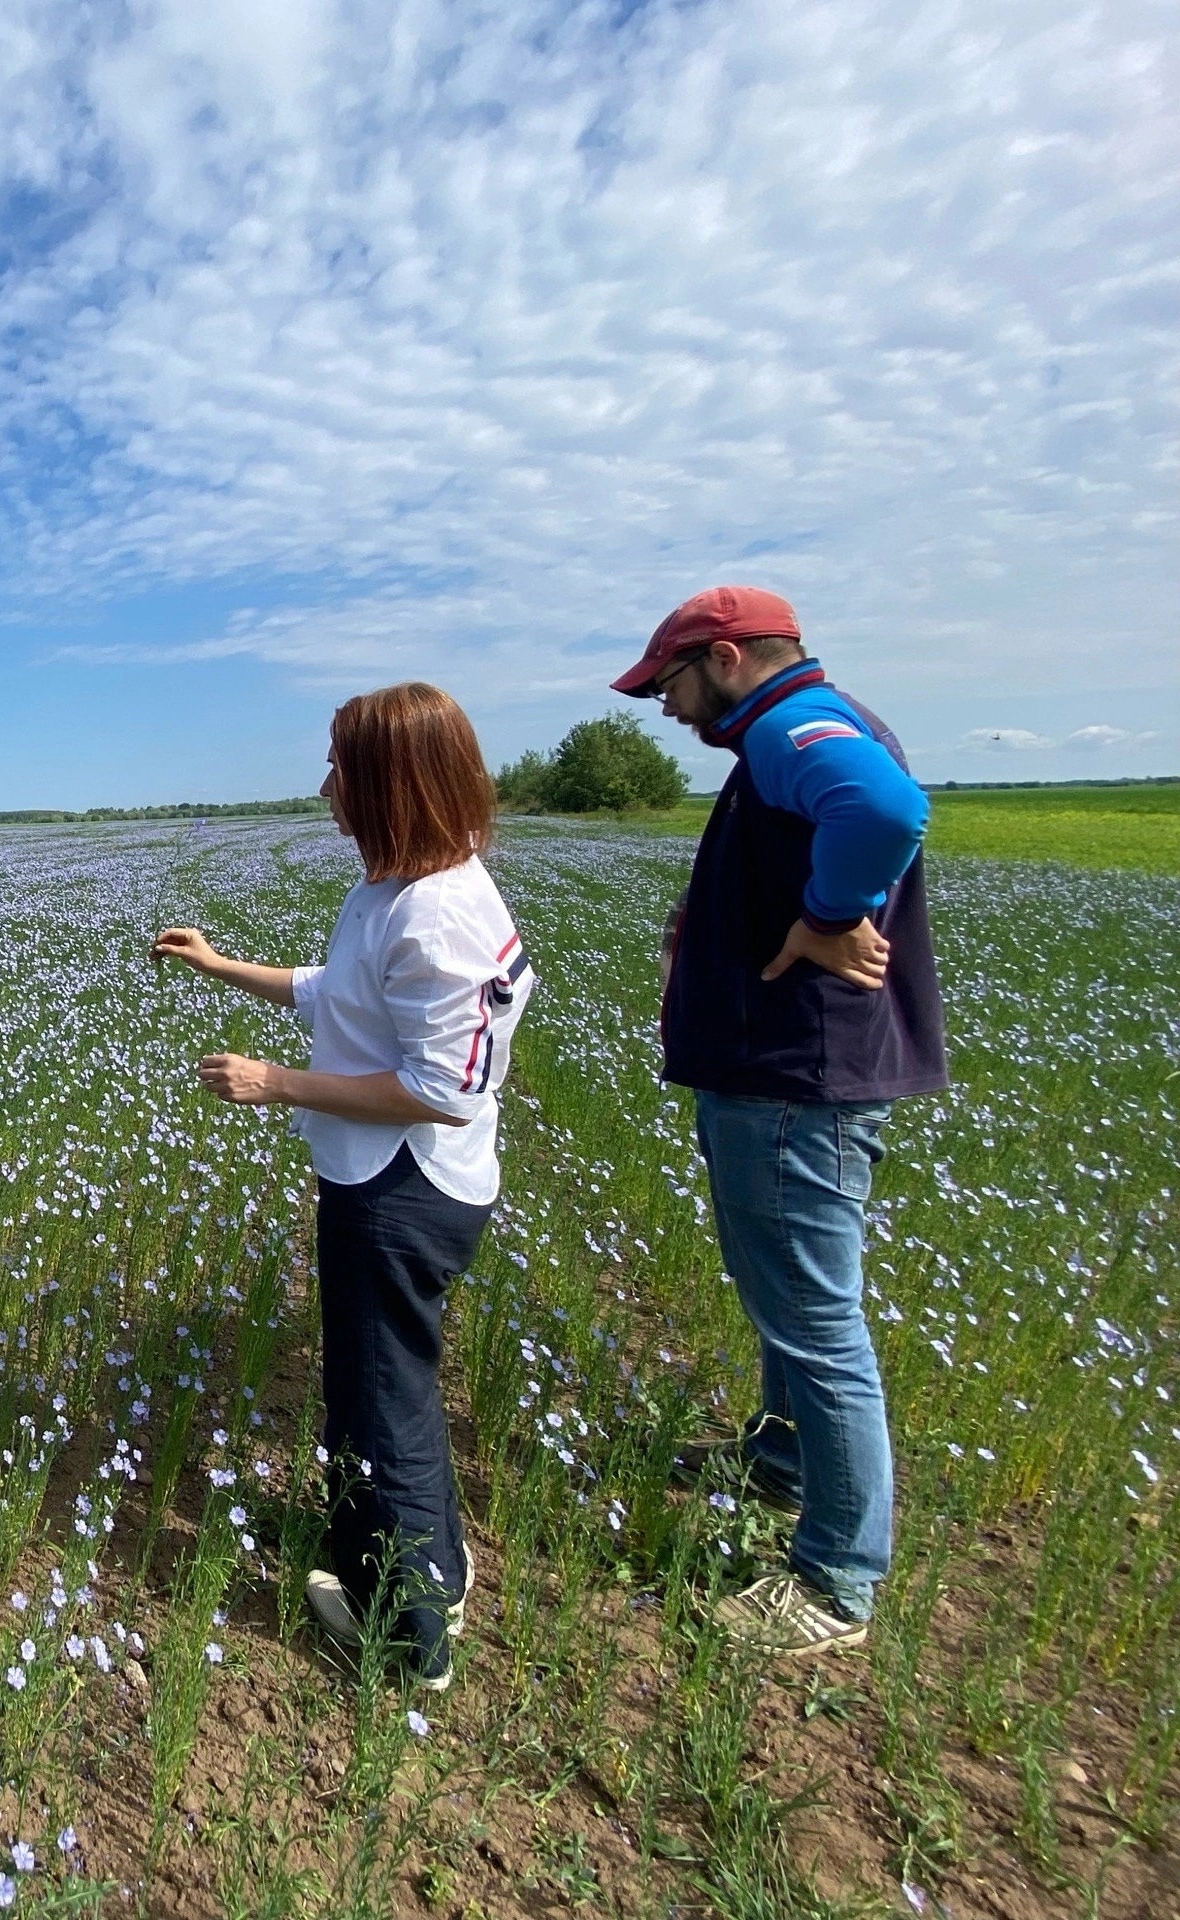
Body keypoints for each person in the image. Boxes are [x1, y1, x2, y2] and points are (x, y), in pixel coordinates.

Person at [156, 682, 534, 1689]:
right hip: (393, 1183)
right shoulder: (401, 889)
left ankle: (408, 1640)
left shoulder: (436, 914)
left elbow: (435, 1092)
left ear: (387, 783)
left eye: (339, 768)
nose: (324, 784)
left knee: (381, 1404)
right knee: (390, 1389)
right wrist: (219, 965)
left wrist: (271, 1083)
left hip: (404, 1192)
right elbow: (340, 991)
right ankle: (430, 1570)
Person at [615, 585, 945, 1655]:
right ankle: (779, 1458)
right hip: (791, 1077)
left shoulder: (791, 724)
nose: (663, 708)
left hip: (795, 1084)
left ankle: (836, 1577)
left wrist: (825, 917)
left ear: (721, 658)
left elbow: (884, 813)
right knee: (788, 1301)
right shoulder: (801, 726)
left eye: (666, 684)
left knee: (814, 1318)